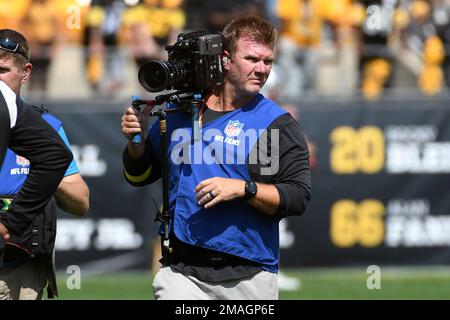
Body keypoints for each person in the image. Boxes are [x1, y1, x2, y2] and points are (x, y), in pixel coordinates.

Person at [121, 15, 311, 300]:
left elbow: (296, 197)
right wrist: (135, 142)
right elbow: (140, 175)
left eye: (267, 61)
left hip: (249, 274)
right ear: (226, 59)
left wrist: (243, 189)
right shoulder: (178, 114)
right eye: (251, 59)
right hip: (182, 271)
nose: (261, 69)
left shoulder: (274, 124)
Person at [0, 29, 90, 300]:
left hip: (25, 267)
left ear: (26, 73)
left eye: (2, 71)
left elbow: (81, 202)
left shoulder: (46, 127)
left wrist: (44, 175)